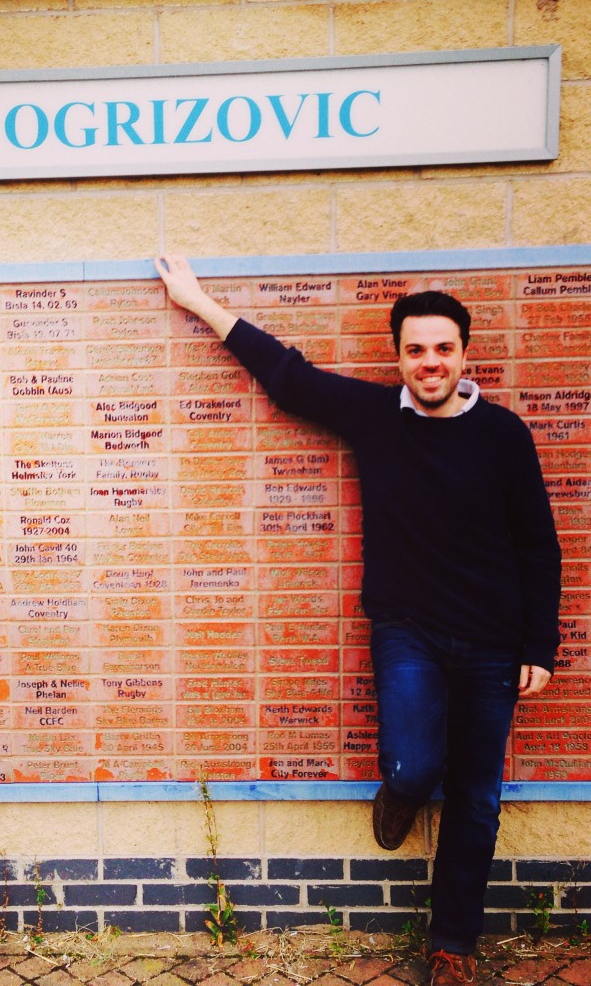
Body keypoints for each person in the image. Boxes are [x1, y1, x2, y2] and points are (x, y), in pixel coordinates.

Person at [154, 254, 561, 986]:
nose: (429, 362)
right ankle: (401, 790)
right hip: (407, 628)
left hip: (494, 643)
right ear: (398, 355)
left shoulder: (505, 436)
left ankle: (453, 946)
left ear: (464, 354)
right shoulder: (376, 418)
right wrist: (199, 303)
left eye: (443, 348)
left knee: (476, 796)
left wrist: (539, 644)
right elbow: (288, 377)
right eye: (415, 350)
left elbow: (538, 543)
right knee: (415, 763)